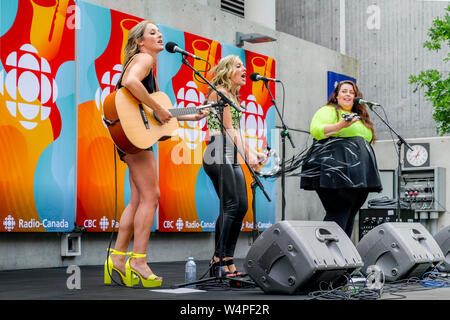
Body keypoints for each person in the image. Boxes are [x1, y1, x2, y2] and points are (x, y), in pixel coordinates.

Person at [104, 20, 208, 287]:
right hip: (134, 140)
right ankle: (138, 260)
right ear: (140, 41)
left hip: (130, 136)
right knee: (152, 196)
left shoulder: (142, 61)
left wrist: (189, 115)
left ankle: (116, 257)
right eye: (152, 33)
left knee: (137, 200)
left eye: (159, 32)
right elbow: (130, 83)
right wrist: (158, 108)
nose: (159, 35)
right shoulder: (144, 59)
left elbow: (152, 114)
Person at [202, 55, 266, 277]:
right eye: (238, 66)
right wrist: (248, 155)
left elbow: (237, 131)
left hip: (229, 152)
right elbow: (228, 129)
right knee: (231, 205)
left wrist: (252, 152)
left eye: (243, 65)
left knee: (240, 207)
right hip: (217, 149)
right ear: (227, 71)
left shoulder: (233, 97)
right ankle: (217, 259)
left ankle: (228, 258)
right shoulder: (219, 92)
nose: (244, 69)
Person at [300, 80, 382, 237]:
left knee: (349, 213)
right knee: (339, 211)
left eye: (352, 92)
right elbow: (316, 131)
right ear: (336, 96)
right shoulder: (328, 111)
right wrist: (341, 125)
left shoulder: (360, 116)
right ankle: (326, 252)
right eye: (344, 91)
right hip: (335, 169)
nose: (348, 94)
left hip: (358, 172)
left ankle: (342, 255)